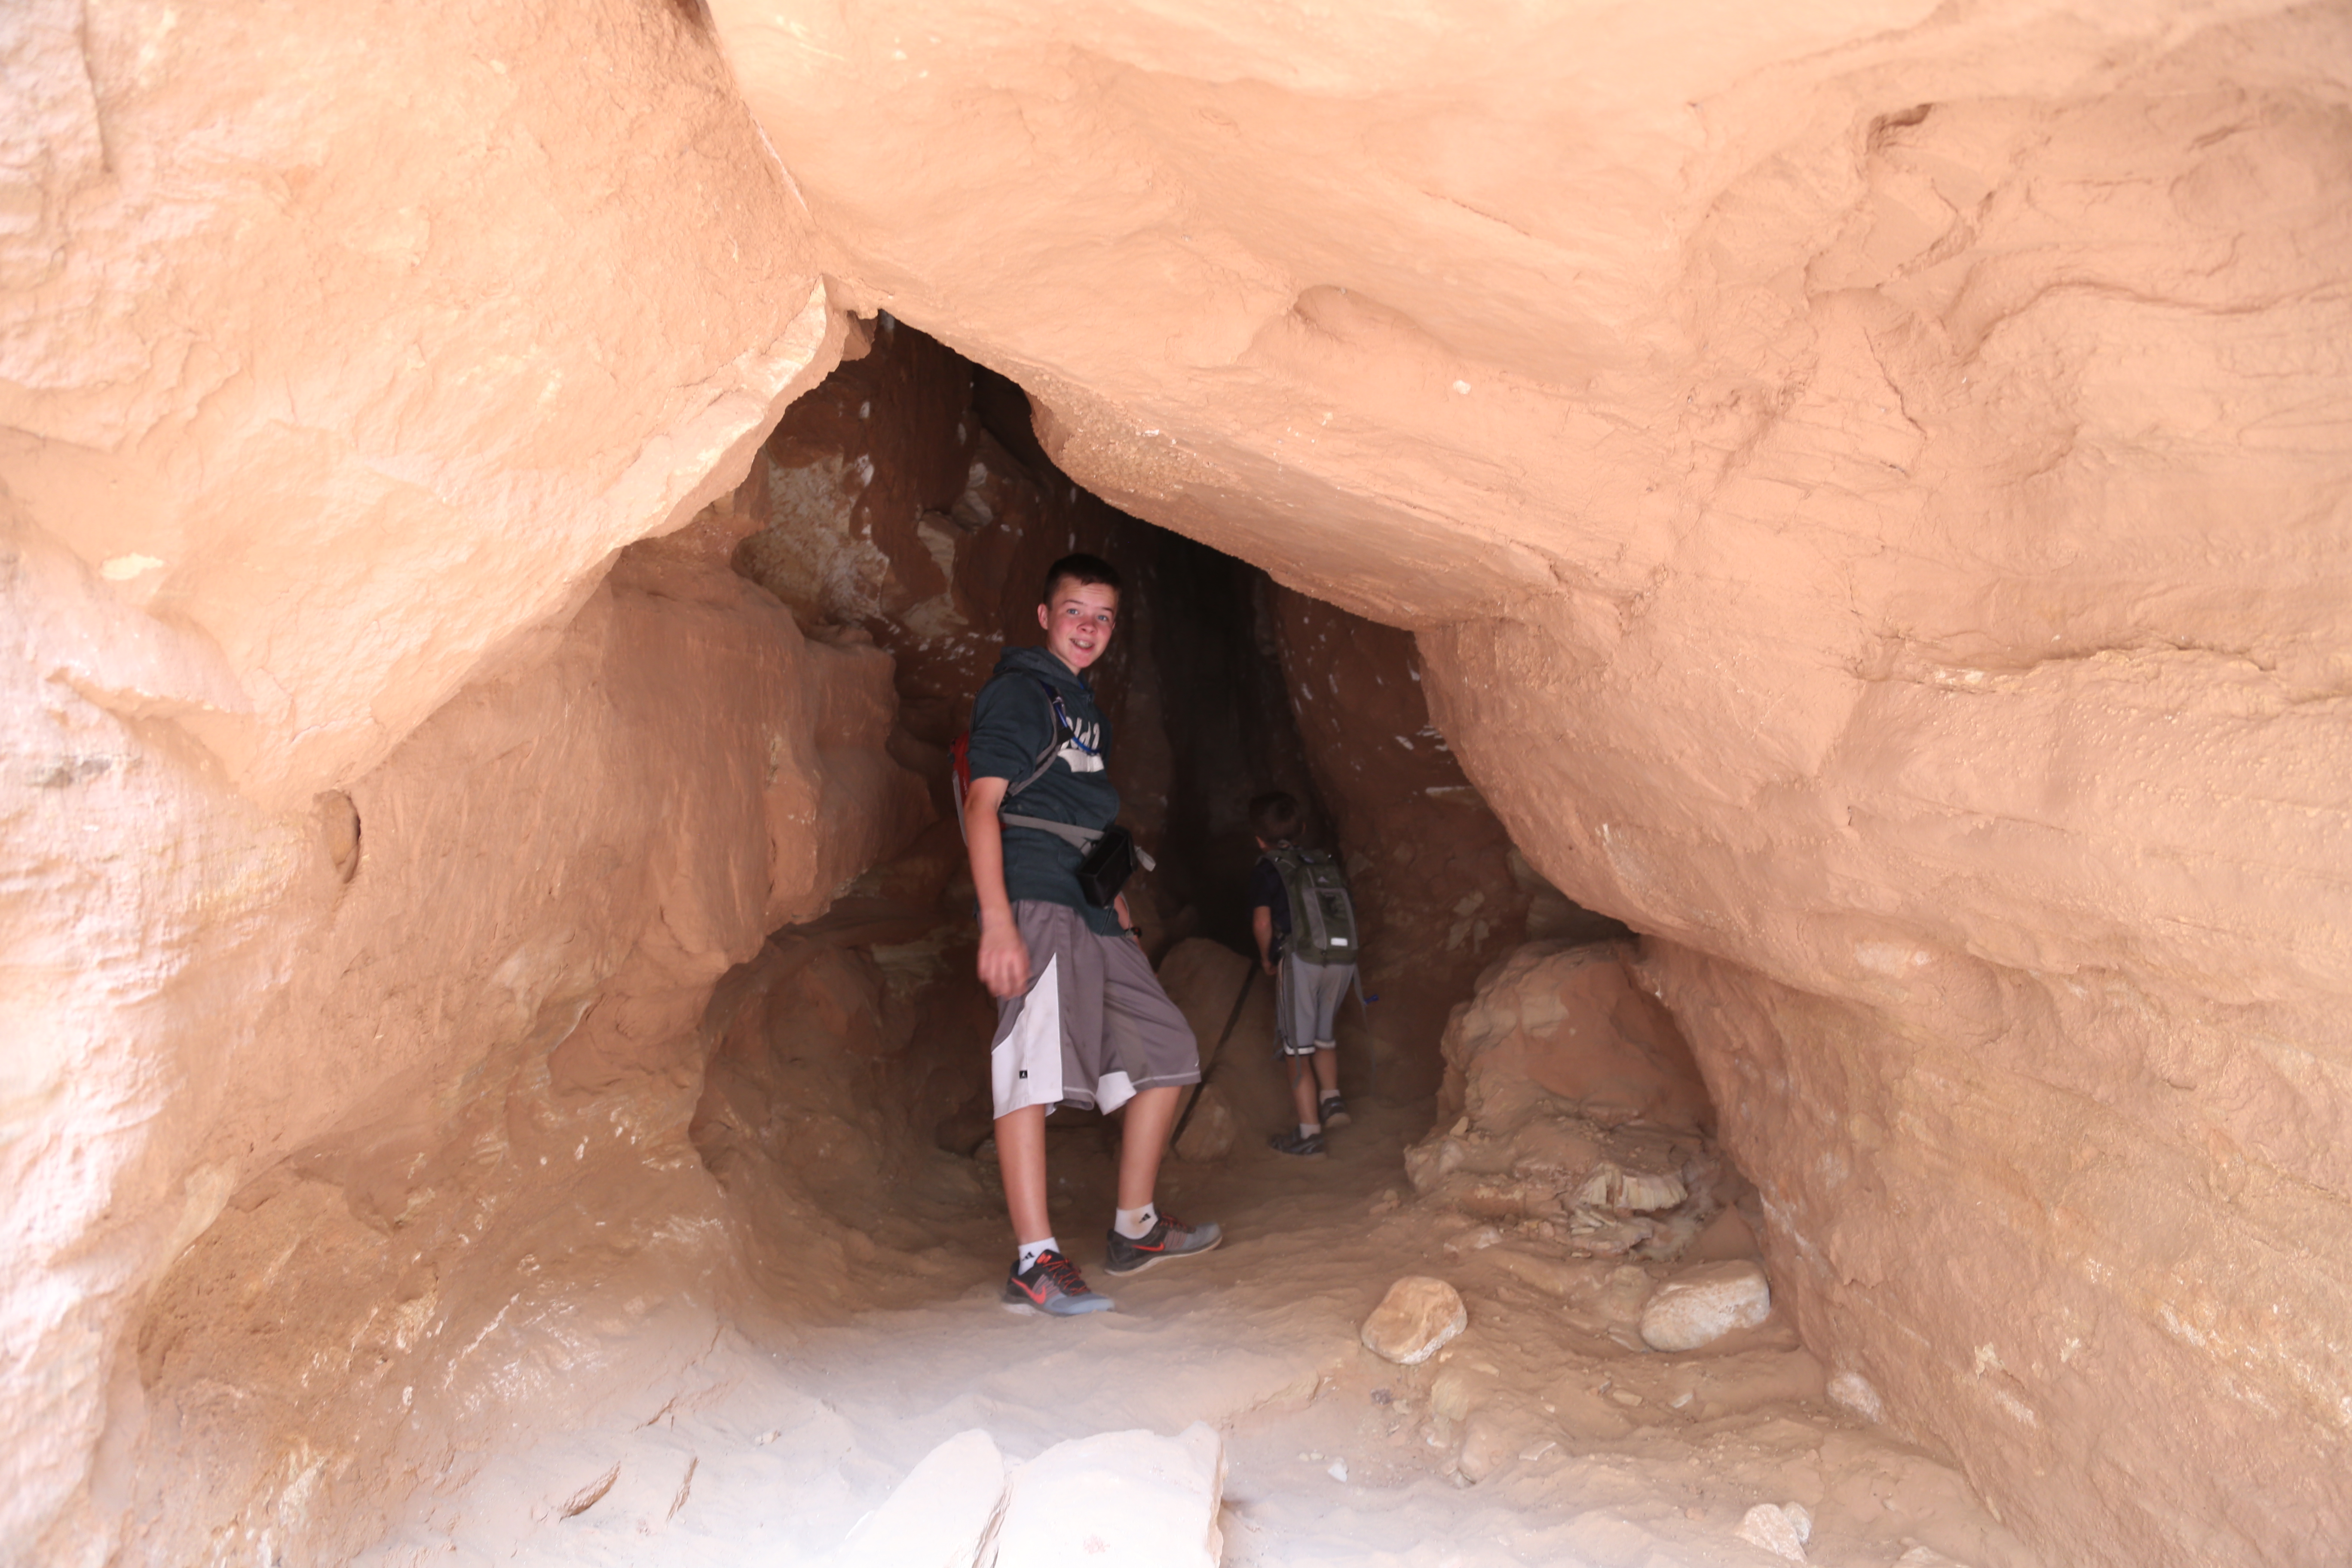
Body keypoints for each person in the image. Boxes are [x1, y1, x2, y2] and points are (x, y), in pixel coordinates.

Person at [963, 553, 1222, 1316]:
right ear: (1045, 616)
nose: (1089, 628)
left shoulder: (1086, 708)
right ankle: (1033, 1260)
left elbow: (1091, 825)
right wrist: (998, 919)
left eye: (1103, 617)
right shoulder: (1019, 693)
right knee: (1029, 1069)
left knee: (1169, 1052)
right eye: (1075, 611)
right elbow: (985, 808)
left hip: (1094, 906)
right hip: (1037, 895)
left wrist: (1125, 921)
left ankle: (1134, 1226)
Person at [1248, 791, 1357, 1158]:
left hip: (1301, 961)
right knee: (1325, 1036)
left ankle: (1310, 1133)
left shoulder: (1268, 868)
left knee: (1297, 1048)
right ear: (1303, 829)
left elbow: (1263, 921)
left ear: (1258, 838)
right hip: (1342, 960)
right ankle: (1333, 1101)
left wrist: (1267, 958)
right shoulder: (1322, 862)